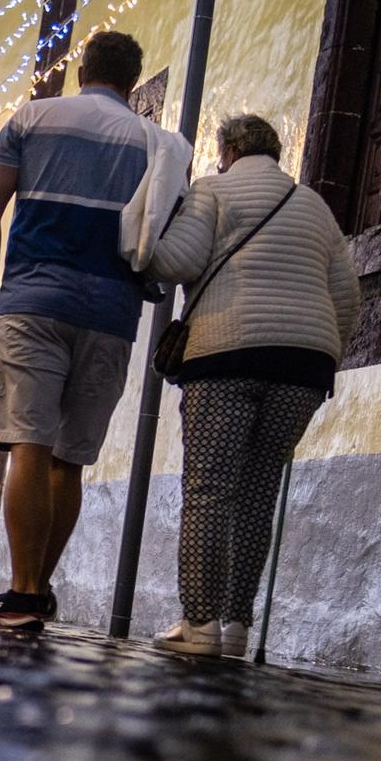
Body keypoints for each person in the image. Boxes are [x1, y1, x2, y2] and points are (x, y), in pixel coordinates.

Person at [147, 113, 360, 656]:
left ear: (229, 150)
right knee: (258, 493)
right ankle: (238, 628)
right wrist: (323, 346)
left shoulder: (212, 191)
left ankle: (199, 626)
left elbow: (177, 260)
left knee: (209, 492)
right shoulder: (314, 205)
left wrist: (151, 228)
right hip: (303, 368)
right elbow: (347, 297)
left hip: (226, 357)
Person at [0, 30, 157, 627]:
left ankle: (22, 592)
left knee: (29, 442)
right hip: (111, 313)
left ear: (83, 70)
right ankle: (38, 588)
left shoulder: (32, 119)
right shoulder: (157, 142)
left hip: (32, 303)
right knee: (68, 460)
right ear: (132, 81)